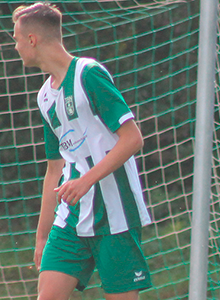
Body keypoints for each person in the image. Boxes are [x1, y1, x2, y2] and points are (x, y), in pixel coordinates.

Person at [12, 3, 152, 300]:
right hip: (71, 218)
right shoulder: (45, 98)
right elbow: (54, 169)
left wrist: (86, 180)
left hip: (116, 214)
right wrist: (42, 235)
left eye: (16, 39)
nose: (15, 46)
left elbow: (132, 139)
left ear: (32, 39)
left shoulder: (89, 74)